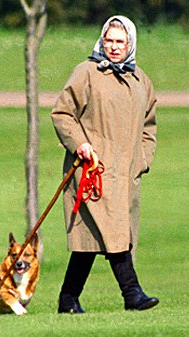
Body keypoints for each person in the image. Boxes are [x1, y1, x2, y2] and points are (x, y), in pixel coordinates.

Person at [51, 15, 158, 313]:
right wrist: (79, 144)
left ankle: (68, 299)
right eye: (109, 40)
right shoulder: (85, 73)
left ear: (130, 44)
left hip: (126, 176)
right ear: (101, 40)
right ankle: (132, 294)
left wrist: (143, 160)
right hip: (91, 173)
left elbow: (149, 126)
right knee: (114, 233)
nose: (113, 46)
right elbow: (62, 113)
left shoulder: (141, 81)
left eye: (119, 41)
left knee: (92, 240)